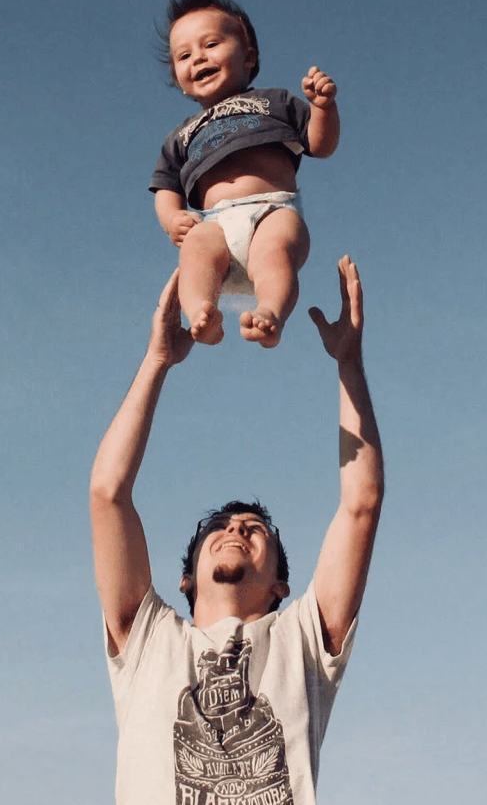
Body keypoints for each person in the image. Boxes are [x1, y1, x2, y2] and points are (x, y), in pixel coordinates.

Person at [89, 256, 383, 805]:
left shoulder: (303, 642)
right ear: (185, 579)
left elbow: (360, 505)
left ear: (279, 586)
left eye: (255, 528)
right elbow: (109, 495)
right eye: (218, 527)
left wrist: (349, 364)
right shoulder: (149, 639)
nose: (236, 528)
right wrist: (157, 361)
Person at [150, 0, 341, 349]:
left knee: (274, 253)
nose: (198, 58)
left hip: (273, 209)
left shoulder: (274, 101)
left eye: (211, 44)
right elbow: (165, 186)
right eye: (185, 55)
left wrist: (323, 109)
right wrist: (172, 219)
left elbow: (320, 145)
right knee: (195, 250)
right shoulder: (182, 134)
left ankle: (270, 313)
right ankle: (202, 313)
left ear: (248, 56)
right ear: (178, 77)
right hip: (215, 223)